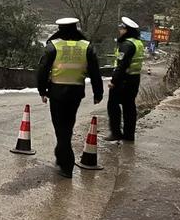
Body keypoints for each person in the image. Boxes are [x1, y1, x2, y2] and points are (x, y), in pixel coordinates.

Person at [37, 17, 104, 178]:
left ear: (60, 29)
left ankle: (66, 164)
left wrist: (42, 91)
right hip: (76, 94)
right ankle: (61, 156)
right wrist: (98, 93)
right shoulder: (86, 47)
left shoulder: (53, 46)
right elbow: (95, 71)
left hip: (57, 93)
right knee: (68, 125)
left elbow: (42, 70)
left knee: (60, 128)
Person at [106, 17, 144, 142]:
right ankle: (129, 135)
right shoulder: (138, 43)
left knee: (113, 105)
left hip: (123, 80)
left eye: (122, 28)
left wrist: (113, 81)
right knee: (129, 107)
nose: (120, 31)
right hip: (134, 79)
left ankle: (116, 133)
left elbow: (122, 65)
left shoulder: (127, 44)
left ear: (127, 30)